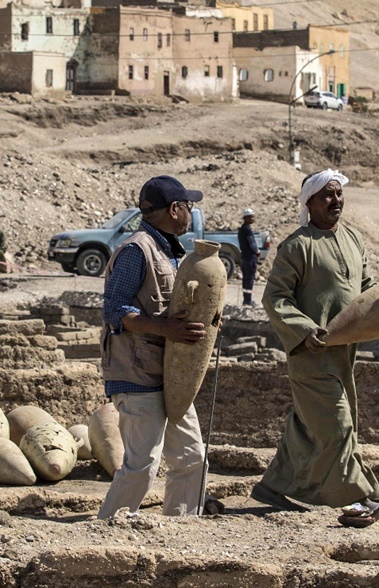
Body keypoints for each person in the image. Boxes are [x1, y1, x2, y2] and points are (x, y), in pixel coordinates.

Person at [251, 169, 379, 529]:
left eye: (339, 194)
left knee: (306, 427)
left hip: (344, 353)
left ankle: (274, 486)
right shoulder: (297, 245)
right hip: (310, 354)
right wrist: (305, 331)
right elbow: (275, 297)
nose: (336, 201)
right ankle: (362, 500)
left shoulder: (353, 239)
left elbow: (365, 288)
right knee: (337, 425)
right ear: (309, 203)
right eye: (327, 195)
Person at [97, 175, 224, 519]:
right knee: (142, 465)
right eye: (188, 207)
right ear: (175, 209)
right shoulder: (137, 250)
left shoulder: (167, 251)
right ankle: (106, 532)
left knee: (192, 457)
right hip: (137, 374)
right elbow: (115, 309)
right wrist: (166, 328)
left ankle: (180, 530)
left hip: (169, 374)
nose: (190, 214)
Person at [238, 209, 261, 306]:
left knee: (245, 279)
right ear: (246, 218)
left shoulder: (242, 229)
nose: (253, 219)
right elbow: (252, 244)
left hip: (244, 257)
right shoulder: (247, 230)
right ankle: (248, 300)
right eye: (251, 217)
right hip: (250, 258)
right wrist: (257, 251)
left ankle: (246, 299)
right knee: (250, 279)